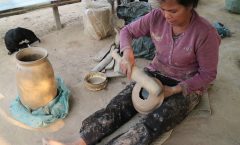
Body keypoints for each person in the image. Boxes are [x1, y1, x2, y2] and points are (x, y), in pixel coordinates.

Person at [43, 0, 220, 144]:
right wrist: (127, 52)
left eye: (173, 11)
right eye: (163, 9)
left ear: (190, 6)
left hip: (185, 84)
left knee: (153, 122)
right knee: (118, 106)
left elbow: (207, 75)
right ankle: (79, 143)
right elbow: (127, 31)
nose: (167, 16)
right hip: (156, 73)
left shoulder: (205, 33)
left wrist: (174, 90)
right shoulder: (156, 17)